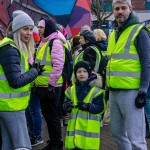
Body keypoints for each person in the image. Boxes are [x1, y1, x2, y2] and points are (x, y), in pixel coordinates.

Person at [106, 0, 150, 149]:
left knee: (136, 138)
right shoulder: (113, 34)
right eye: (116, 8)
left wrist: (143, 90)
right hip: (114, 91)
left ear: (130, 9)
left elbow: (147, 64)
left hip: (132, 92)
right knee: (117, 134)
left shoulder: (139, 31)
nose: (120, 11)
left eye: (123, 8)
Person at [0, 10, 44, 150]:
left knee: (8, 145)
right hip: (12, 106)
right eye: (25, 29)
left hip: (9, 105)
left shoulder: (10, 46)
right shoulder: (11, 49)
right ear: (17, 29)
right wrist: (34, 71)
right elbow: (15, 81)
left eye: (31, 29)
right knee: (22, 146)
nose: (29, 33)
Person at [35, 17, 66, 150]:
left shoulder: (55, 42)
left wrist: (51, 84)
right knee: (48, 117)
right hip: (44, 86)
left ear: (47, 27)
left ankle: (56, 144)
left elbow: (58, 65)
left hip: (51, 87)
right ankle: (53, 141)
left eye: (41, 27)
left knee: (53, 117)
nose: (39, 30)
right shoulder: (45, 42)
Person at [63, 61, 106, 150]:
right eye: (79, 72)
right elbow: (65, 105)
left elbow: (101, 108)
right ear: (75, 74)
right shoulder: (70, 90)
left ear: (89, 73)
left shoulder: (96, 91)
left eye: (84, 71)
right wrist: (67, 106)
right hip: (74, 134)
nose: (81, 74)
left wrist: (88, 106)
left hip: (88, 135)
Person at [25, 26, 43, 146]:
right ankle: (33, 134)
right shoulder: (32, 48)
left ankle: (37, 135)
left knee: (34, 111)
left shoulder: (36, 49)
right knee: (30, 111)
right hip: (29, 84)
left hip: (33, 84)